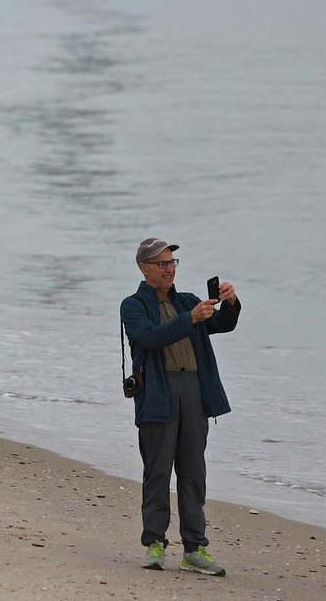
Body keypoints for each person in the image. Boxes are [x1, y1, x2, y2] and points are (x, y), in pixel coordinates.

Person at [121, 238, 241, 576]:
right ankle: (154, 544)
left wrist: (231, 302)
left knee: (193, 473)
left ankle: (194, 549)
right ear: (144, 268)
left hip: (194, 392)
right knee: (157, 473)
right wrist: (190, 319)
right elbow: (150, 338)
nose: (169, 268)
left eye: (172, 262)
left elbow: (223, 323)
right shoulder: (133, 306)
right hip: (158, 394)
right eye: (161, 263)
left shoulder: (188, 301)